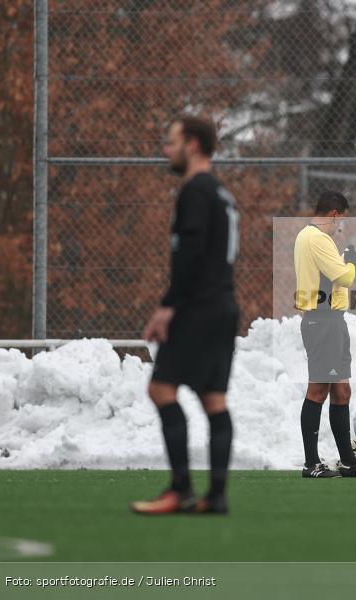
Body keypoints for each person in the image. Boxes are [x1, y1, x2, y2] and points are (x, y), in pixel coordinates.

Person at [131, 115, 240, 515]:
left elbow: (189, 255)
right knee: (214, 399)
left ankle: (181, 489)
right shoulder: (222, 194)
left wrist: (167, 307)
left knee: (161, 389)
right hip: (223, 305)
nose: (166, 149)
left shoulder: (195, 190)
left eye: (171, 141)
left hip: (198, 305)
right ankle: (217, 495)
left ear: (192, 145)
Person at [294, 191, 356, 478]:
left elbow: (330, 273)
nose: (341, 227)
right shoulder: (316, 238)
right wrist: (350, 260)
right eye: (342, 221)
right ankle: (311, 464)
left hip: (334, 319)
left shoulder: (317, 239)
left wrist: (341, 261)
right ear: (334, 215)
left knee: (342, 389)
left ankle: (348, 463)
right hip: (321, 320)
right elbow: (344, 277)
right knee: (318, 389)